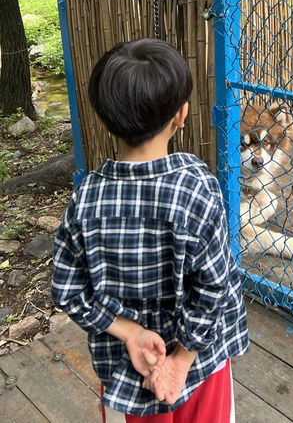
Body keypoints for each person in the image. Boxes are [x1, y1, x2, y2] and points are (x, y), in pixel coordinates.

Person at [51, 38, 249, 422]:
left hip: (130, 373)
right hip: (199, 369)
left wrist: (128, 332)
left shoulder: (86, 199)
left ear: (102, 120)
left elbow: (67, 291)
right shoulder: (197, 187)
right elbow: (214, 286)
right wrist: (181, 358)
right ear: (182, 114)